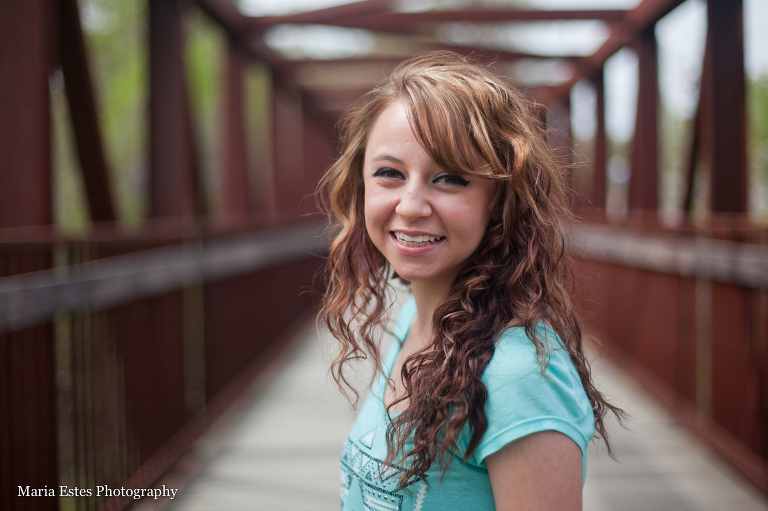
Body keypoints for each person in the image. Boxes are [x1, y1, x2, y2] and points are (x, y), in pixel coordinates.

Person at [317, 51, 624, 511]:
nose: (412, 205)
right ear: (360, 186)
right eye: (389, 174)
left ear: (501, 202)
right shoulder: (412, 323)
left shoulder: (519, 375)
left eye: (449, 178)